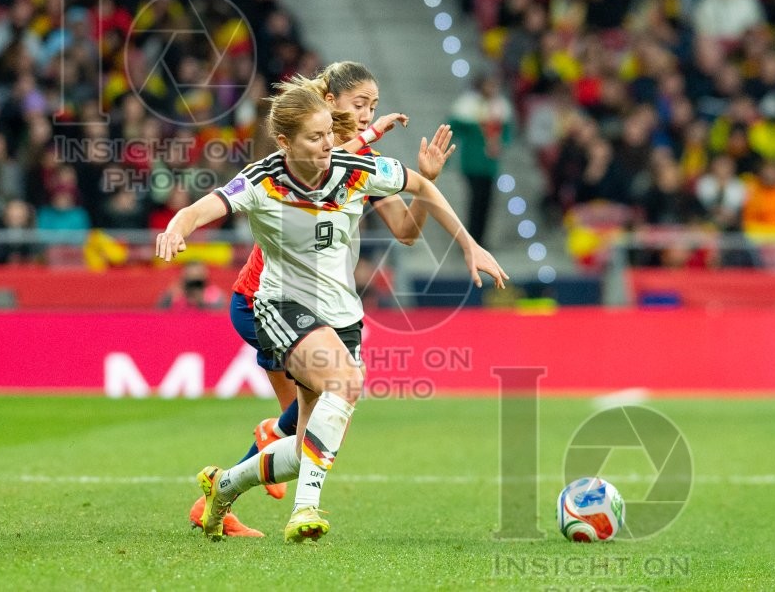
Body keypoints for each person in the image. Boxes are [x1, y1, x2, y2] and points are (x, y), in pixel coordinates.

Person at [156, 85, 507, 543]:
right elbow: (202, 208)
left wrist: (469, 243)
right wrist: (175, 229)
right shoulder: (262, 180)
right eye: (315, 138)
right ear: (285, 141)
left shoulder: (353, 169)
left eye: (328, 135)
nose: (328, 147)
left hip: (343, 317)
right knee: (346, 382)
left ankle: (222, 487)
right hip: (282, 307)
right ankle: (305, 508)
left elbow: (418, 186)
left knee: (305, 451)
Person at [448, 72, 515, 245]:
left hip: (490, 164)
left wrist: (500, 142)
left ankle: (481, 239)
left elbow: (507, 134)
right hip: (471, 161)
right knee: (475, 200)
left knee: (487, 202)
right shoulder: (467, 106)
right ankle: (470, 238)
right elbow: (451, 130)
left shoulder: (500, 107)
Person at [157, 262, 226, 312]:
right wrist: (171, 298)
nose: (194, 286)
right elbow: (159, 313)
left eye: (197, 282)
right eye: (191, 282)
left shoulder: (215, 294)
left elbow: (220, 316)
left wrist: (202, 302)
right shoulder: (174, 293)